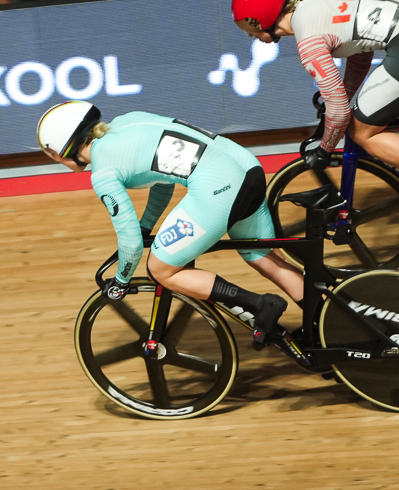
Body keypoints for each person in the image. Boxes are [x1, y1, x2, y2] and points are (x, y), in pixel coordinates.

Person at [36, 99, 300, 347]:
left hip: (219, 187)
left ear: (62, 148)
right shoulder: (128, 120)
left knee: (160, 269)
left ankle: (259, 304)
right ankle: (323, 319)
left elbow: (130, 242)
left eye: (50, 154)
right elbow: (163, 181)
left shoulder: (103, 172)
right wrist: (146, 225)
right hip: (247, 167)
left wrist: (121, 281)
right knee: (264, 258)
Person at [229, 0, 399, 218]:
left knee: (361, 131)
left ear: (262, 18)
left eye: (248, 27)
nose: (250, 35)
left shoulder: (309, 38)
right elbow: (362, 48)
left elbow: (338, 113)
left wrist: (325, 149)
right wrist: (345, 95)